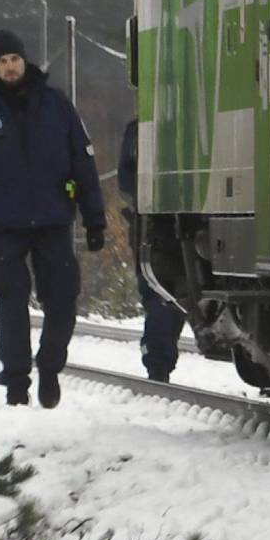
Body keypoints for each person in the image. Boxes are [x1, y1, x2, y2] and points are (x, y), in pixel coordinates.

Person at [0, 28, 106, 408]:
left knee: (62, 301)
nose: (9, 67)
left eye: (13, 59)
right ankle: (16, 384)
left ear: (23, 60)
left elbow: (83, 160)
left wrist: (95, 219)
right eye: (1, 61)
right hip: (5, 227)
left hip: (53, 222)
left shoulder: (55, 105)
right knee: (11, 307)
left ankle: (49, 368)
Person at [117, 120, 184, 382]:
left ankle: (158, 362)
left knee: (160, 295)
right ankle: (158, 360)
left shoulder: (139, 130)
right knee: (170, 296)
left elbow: (125, 180)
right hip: (174, 224)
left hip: (151, 226)